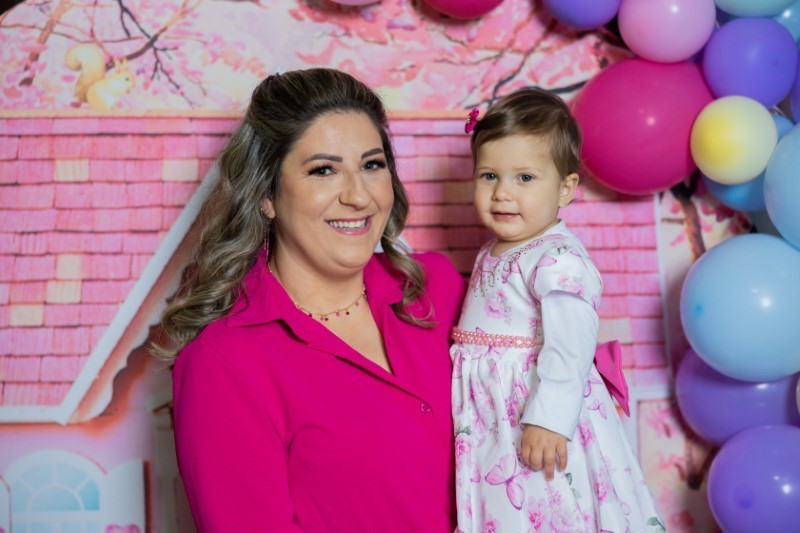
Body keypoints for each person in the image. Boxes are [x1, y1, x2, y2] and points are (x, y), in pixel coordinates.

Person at [154, 68, 466, 532]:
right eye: (324, 170)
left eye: (372, 165)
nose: (358, 196)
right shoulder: (224, 360)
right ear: (266, 196)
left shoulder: (438, 286)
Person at [451, 89, 663, 531]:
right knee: (500, 507)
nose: (502, 193)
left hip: (533, 410)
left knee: (548, 504)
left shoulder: (557, 259)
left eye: (525, 178)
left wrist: (549, 419)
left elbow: (571, 348)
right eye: (489, 176)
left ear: (565, 189)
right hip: (493, 414)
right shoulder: (494, 249)